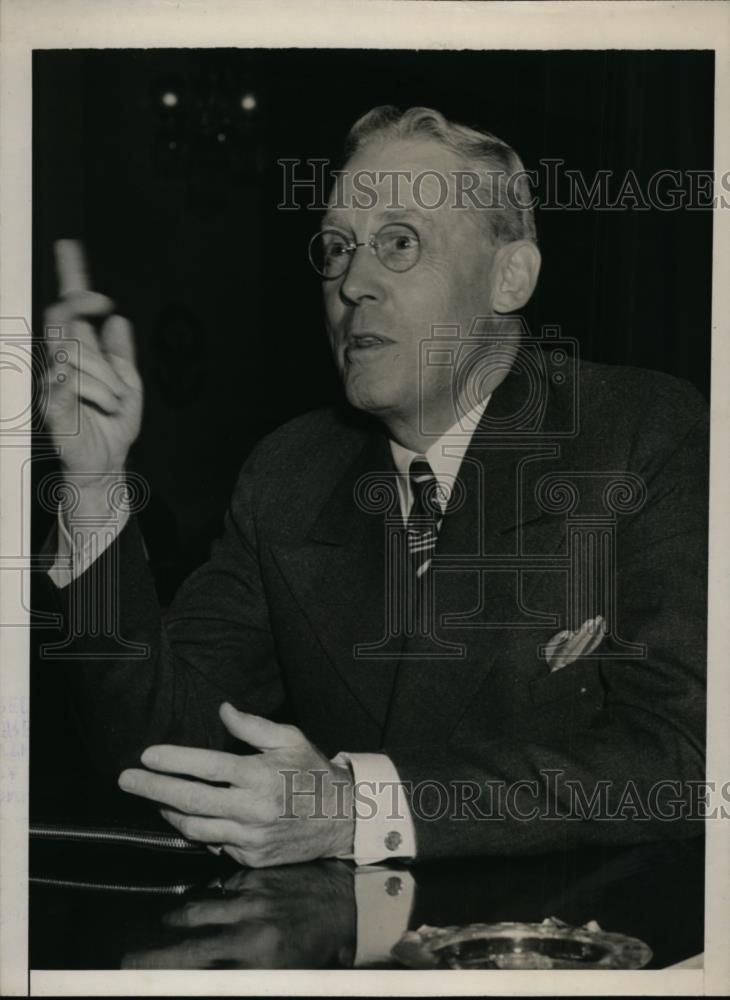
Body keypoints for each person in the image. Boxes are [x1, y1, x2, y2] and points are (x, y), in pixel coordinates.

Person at [41, 106, 708, 870]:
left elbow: (684, 759)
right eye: (337, 248)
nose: (352, 283)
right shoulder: (290, 475)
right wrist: (92, 484)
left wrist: (358, 808)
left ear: (510, 276)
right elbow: (157, 754)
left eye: (399, 242)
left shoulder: (645, 434)